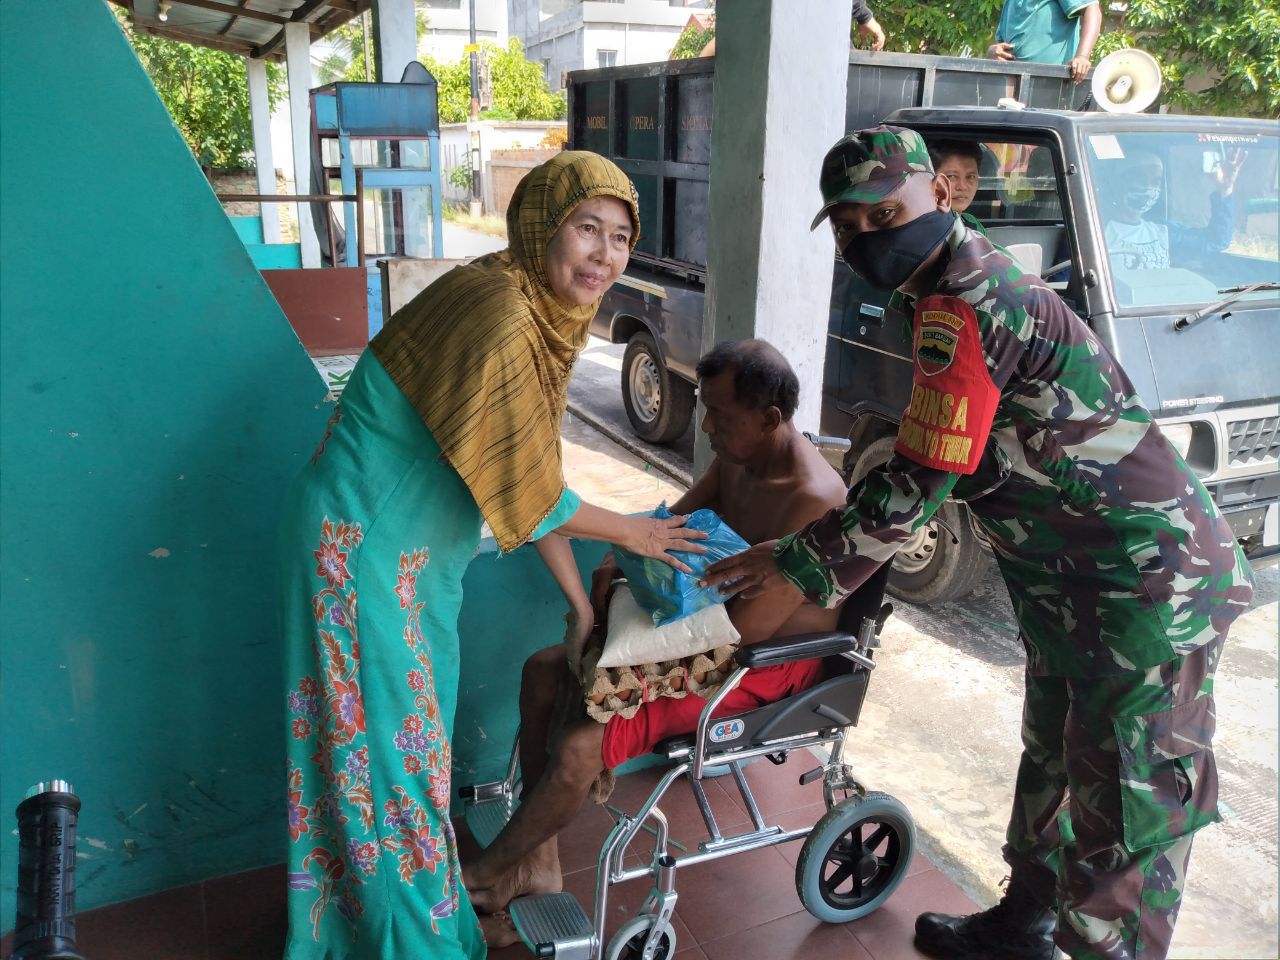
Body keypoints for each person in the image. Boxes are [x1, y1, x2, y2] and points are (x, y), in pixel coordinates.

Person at [701, 126, 1255, 960]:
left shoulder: (966, 301)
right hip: (1070, 579)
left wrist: (797, 560)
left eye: (883, 212)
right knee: (1054, 757)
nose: (866, 238)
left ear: (944, 197)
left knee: (1130, 804)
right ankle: (1022, 922)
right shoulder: (939, 292)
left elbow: (918, 483)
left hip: (1146, 587)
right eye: (847, 226)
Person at [279, 151, 707, 960]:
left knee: (386, 757)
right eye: (588, 228)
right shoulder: (503, 316)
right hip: (364, 554)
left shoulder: (526, 304)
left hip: (400, 563)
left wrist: (581, 608)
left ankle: (368, 928)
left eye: (621, 237)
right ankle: (413, 946)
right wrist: (638, 534)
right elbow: (539, 492)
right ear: (545, 223)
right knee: (389, 765)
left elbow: (520, 476)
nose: (605, 255)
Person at [462, 339, 849, 916]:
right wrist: (620, 565)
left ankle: (484, 877)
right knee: (544, 670)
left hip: (762, 663)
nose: (705, 427)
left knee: (578, 745)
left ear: (770, 418)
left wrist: (625, 630)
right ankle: (536, 864)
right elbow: (666, 530)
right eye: (704, 407)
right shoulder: (739, 460)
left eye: (719, 414)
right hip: (706, 630)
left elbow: (742, 630)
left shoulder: (812, 501)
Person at [1103, 148, 1242, 271]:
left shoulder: (1162, 232)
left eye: (1155, 181)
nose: (1148, 187)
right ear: (1118, 182)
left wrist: (1225, 190)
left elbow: (1215, 241)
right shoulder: (1098, 231)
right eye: (1141, 179)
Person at [988, 0, 1101, 82]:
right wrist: (994, 50)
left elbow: (1091, 10)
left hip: (1050, 82)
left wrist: (1082, 56)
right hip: (1012, 82)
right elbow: (1002, 40)